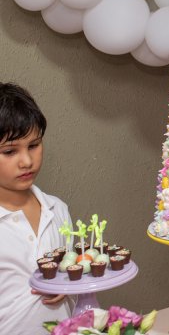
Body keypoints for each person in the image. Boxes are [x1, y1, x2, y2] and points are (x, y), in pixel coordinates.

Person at [0, 82, 72, 333]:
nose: (27, 161)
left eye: (34, 145)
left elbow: (70, 276)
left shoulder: (57, 210)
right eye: (9, 151)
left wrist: (65, 288)